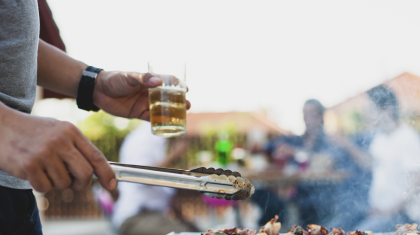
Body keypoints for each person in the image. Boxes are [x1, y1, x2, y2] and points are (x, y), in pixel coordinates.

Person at [0, 1, 190, 234]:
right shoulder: (145, 142)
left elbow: (18, 43)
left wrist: (94, 84)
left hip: (16, 193)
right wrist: (6, 126)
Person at [351, 85, 420, 232]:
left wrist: (389, 211)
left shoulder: (407, 139)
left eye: (371, 110)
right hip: (379, 212)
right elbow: (370, 164)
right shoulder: (381, 137)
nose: (367, 115)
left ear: (386, 111)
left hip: (402, 217)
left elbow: (416, 184)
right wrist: (346, 145)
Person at [111, 122, 196, 235]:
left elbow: (162, 190)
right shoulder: (143, 139)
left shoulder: (158, 140)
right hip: (136, 217)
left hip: (153, 216)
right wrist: (174, 154)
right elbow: (140, 177)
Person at [265, 99, 339, 226]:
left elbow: (327, 162)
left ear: (321, 116)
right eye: (305, 114)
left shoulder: (328, 140)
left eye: (312, 113)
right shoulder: (298, 140)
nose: (307, 118)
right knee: (266, 197)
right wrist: (279, 150)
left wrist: (294, 153)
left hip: (322, 195)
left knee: (310, 206)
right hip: (298, 193)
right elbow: (270, 146)